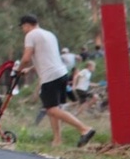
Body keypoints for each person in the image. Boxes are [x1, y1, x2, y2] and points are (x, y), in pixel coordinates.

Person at [17, 14, 95, 148]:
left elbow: (25, 58)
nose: (23, 30)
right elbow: (47, 57)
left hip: (50, 76)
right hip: (61, 73)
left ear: (27, 25)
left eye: (23, 27)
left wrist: (18, 70)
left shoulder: (30, 35)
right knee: (53, 108)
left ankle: (84, 129)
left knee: (52, 110)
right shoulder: (49, 34)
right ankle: (57, 141)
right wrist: (29, 69)